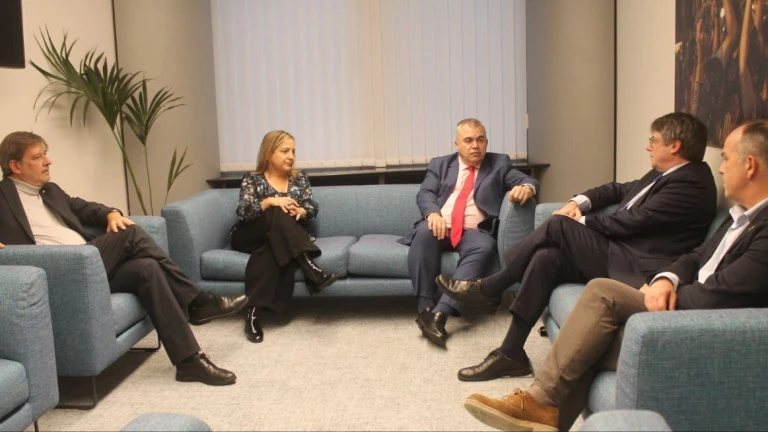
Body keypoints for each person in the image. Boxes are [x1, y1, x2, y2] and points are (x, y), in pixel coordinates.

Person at [460, 119, 768, 431]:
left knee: (594, 285)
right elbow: (697, 255)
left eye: (726, 158)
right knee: (548, 258)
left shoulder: (701, 188)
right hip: (657, 278)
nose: (720, 168)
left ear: (750, 165)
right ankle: (515, 359)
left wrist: (664, 289)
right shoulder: (741, 214)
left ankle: (495, 297)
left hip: (684, 309)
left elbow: (716, 294)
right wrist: (668, 278)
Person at [437, 112, 717, 380]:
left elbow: (633, 221)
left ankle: (491, 287)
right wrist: (577, 203)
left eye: (653, 140)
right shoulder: (665, 173)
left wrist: (579, 221)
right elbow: (617, 189)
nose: (648, 146)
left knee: (558, 226)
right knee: (547, 258)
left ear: (674, 146)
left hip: (638, 267)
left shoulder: (691, 183)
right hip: (621, 251)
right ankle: (511, 353)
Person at [0, 131, 247, 386]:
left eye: (45, 154)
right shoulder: (2, 197)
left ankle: (189, 362)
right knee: (130, 234)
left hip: (89, 264)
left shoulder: (50, 191)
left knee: (147, 269)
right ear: (15, 166)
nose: (48, 161)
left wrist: (111, 213)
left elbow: (85, 208)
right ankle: (198, 300)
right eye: (37, 157)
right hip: (59, 274)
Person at [398, 118, 539, 347]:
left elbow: (527, 179)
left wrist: (526, 187)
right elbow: (426, 193)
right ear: (457, 144)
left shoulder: (499, 164)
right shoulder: (440, 164)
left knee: (485, 246)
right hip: (440, 225)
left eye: (480, 140)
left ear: (486, 142)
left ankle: (440, 315)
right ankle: (425, 309)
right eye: (469, 140)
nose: (475, 145)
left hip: (475, 231)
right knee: (424, 232)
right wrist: (433, 214)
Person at [230, 130, 338, 343]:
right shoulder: (253, 179)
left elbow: (311, 205)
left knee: (271, 250)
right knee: (276, 211)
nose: (291, 156)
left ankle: (252, 315)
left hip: (278, 239)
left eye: (293, 152)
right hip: (248, 235)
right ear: (269, 153)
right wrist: (269, 201)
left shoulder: (299, 178)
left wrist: (302, 211)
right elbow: (243, 212)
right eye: (285, 151)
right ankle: (310, 268)